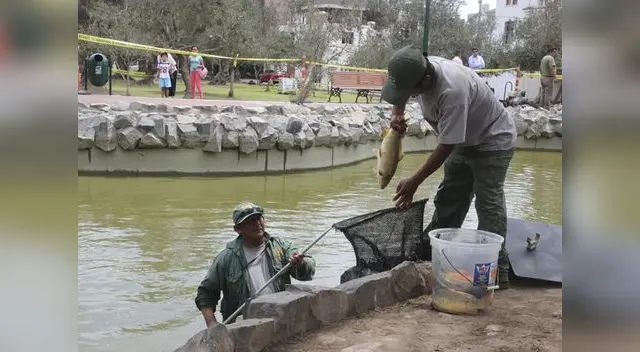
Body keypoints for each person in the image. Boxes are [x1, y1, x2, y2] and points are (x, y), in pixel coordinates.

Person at [380, 45, 517, 289]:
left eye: (408, 93)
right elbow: (399, 96)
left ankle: (497, 271)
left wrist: (414, 181)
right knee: (449, 196)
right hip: (464, 139)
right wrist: (396, 117)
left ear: (424, 82)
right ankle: (434, 258)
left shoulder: (452, 91)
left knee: (488, 203)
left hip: (493, 139)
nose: (406, 97)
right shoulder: (416, 66)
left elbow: (446, 146)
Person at [194, 202, 316, 325]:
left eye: (259, 218)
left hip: (281, 319)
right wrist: (212, 326)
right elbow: (205, 294)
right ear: (238, 229)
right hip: (244, 325)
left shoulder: (280, 247)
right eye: (250, 221)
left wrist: (300, 263)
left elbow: (308, 273)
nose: (257, 223)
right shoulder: (226, 258)